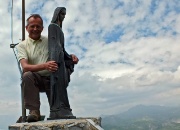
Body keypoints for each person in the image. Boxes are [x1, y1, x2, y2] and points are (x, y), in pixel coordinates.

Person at [17, 14, 78, 122]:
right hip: (36, 80)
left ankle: (58, 111)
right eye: (32, 26)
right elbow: (25, 67)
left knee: (57, 110)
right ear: (27, 28)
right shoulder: (22, 46)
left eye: (38, 26)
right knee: (27, 75)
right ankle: (34, 111)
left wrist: (71, 57)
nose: (35, 29)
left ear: (42, 28)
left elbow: (61, 53)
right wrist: (45, 65)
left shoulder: (49, 40)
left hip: (52, 78)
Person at [48, 7, 78, 119]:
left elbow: (62, 47)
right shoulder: (52, 27)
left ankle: (63, 108)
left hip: (60, 58)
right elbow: (53, 45)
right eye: (62, 14)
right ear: (57, 14)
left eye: (64, 15)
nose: (63, 17)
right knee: (57, 85)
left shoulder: (59, 29)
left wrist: (70, 58)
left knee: (62, 86)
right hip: (56, 60)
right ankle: (57, 109)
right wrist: (54, 59)